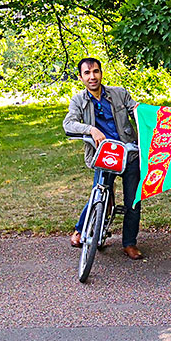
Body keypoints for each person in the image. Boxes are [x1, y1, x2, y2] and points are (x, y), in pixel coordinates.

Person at [63, 58, 143, 260]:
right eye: (87, 73)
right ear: (81, 77)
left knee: (133, 200)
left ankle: (129, 243)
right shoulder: (78, 100)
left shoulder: (119, 93)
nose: (92, 77)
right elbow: (69, 123)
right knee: (98, 195)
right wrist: (91, 129)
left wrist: (139, 111)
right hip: (105, 154)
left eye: (96, 72)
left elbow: (136, 111)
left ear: (101, 73)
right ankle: (80, 229)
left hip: (129, 153)